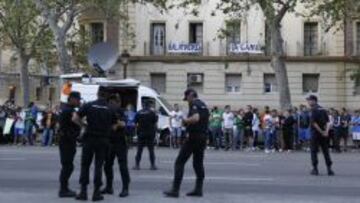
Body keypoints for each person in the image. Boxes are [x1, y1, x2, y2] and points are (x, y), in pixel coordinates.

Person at [73, 87, 117, 201]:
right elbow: (114, 126)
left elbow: (75, 118)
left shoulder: (89, 105)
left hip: (89, 138)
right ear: (107, 96)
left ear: (97, 94)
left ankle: (83, 192)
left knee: (85, 165)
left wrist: (84, 126)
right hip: (103, 140)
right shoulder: (110, 108)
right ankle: (96, 193)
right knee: (99, 165)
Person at [164, 88, 210, 198]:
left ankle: (175, 190)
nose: (187, 101)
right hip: (202, 137)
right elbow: (205, 119)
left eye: (187, 98)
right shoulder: (203, 105)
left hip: (193, 137)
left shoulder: (194, 104)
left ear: (191, 95)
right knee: (197, 164)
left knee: (179, 162)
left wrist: (185, 121)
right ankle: (198, 189)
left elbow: (195, 118)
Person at [101, 95, 131, 198]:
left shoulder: (120, 111)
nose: (111, 105)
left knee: (122, 166)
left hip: (120, 142)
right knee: (107, 165)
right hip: (109, 141)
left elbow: (123, 123)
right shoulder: (106, 111)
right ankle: (109, 187)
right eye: (110, 103)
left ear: (117, 103)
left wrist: (116, 124)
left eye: (113, 103)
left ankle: (125, 188)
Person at [58, 91, 81, 198]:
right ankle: (63, 189)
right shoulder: (68, 110)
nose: (79, 101)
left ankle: (64, 188)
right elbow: (74, 123)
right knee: (67, 166)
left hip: (67, 141)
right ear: (71, 99)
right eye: (77, 99)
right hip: (66, 141)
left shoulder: (68, 109)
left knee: (68, 165)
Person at [306, 95, 334, 176]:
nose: (308, 102)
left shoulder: (313, 110)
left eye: (309, 100)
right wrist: (326, 131)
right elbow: (328, 122)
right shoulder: (323, 109)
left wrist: (322, 131)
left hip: (315, 134)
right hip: (324, 134)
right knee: (325, 151)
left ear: (314, 101)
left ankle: (315, 169)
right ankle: (329, 169)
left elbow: (314, 123)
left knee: (314, 151)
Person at [133, 100, 159, 170]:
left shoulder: (139, 113)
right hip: (150, 133)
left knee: (139, 150)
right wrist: (156, 131)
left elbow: (135, 123)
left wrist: (136, 132)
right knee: (151, 150)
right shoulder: (152, 113)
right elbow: (155, 123)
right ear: (149, 105)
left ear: (143, 105)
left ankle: (137, 165)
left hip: (141, 133)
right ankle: (152, 165)